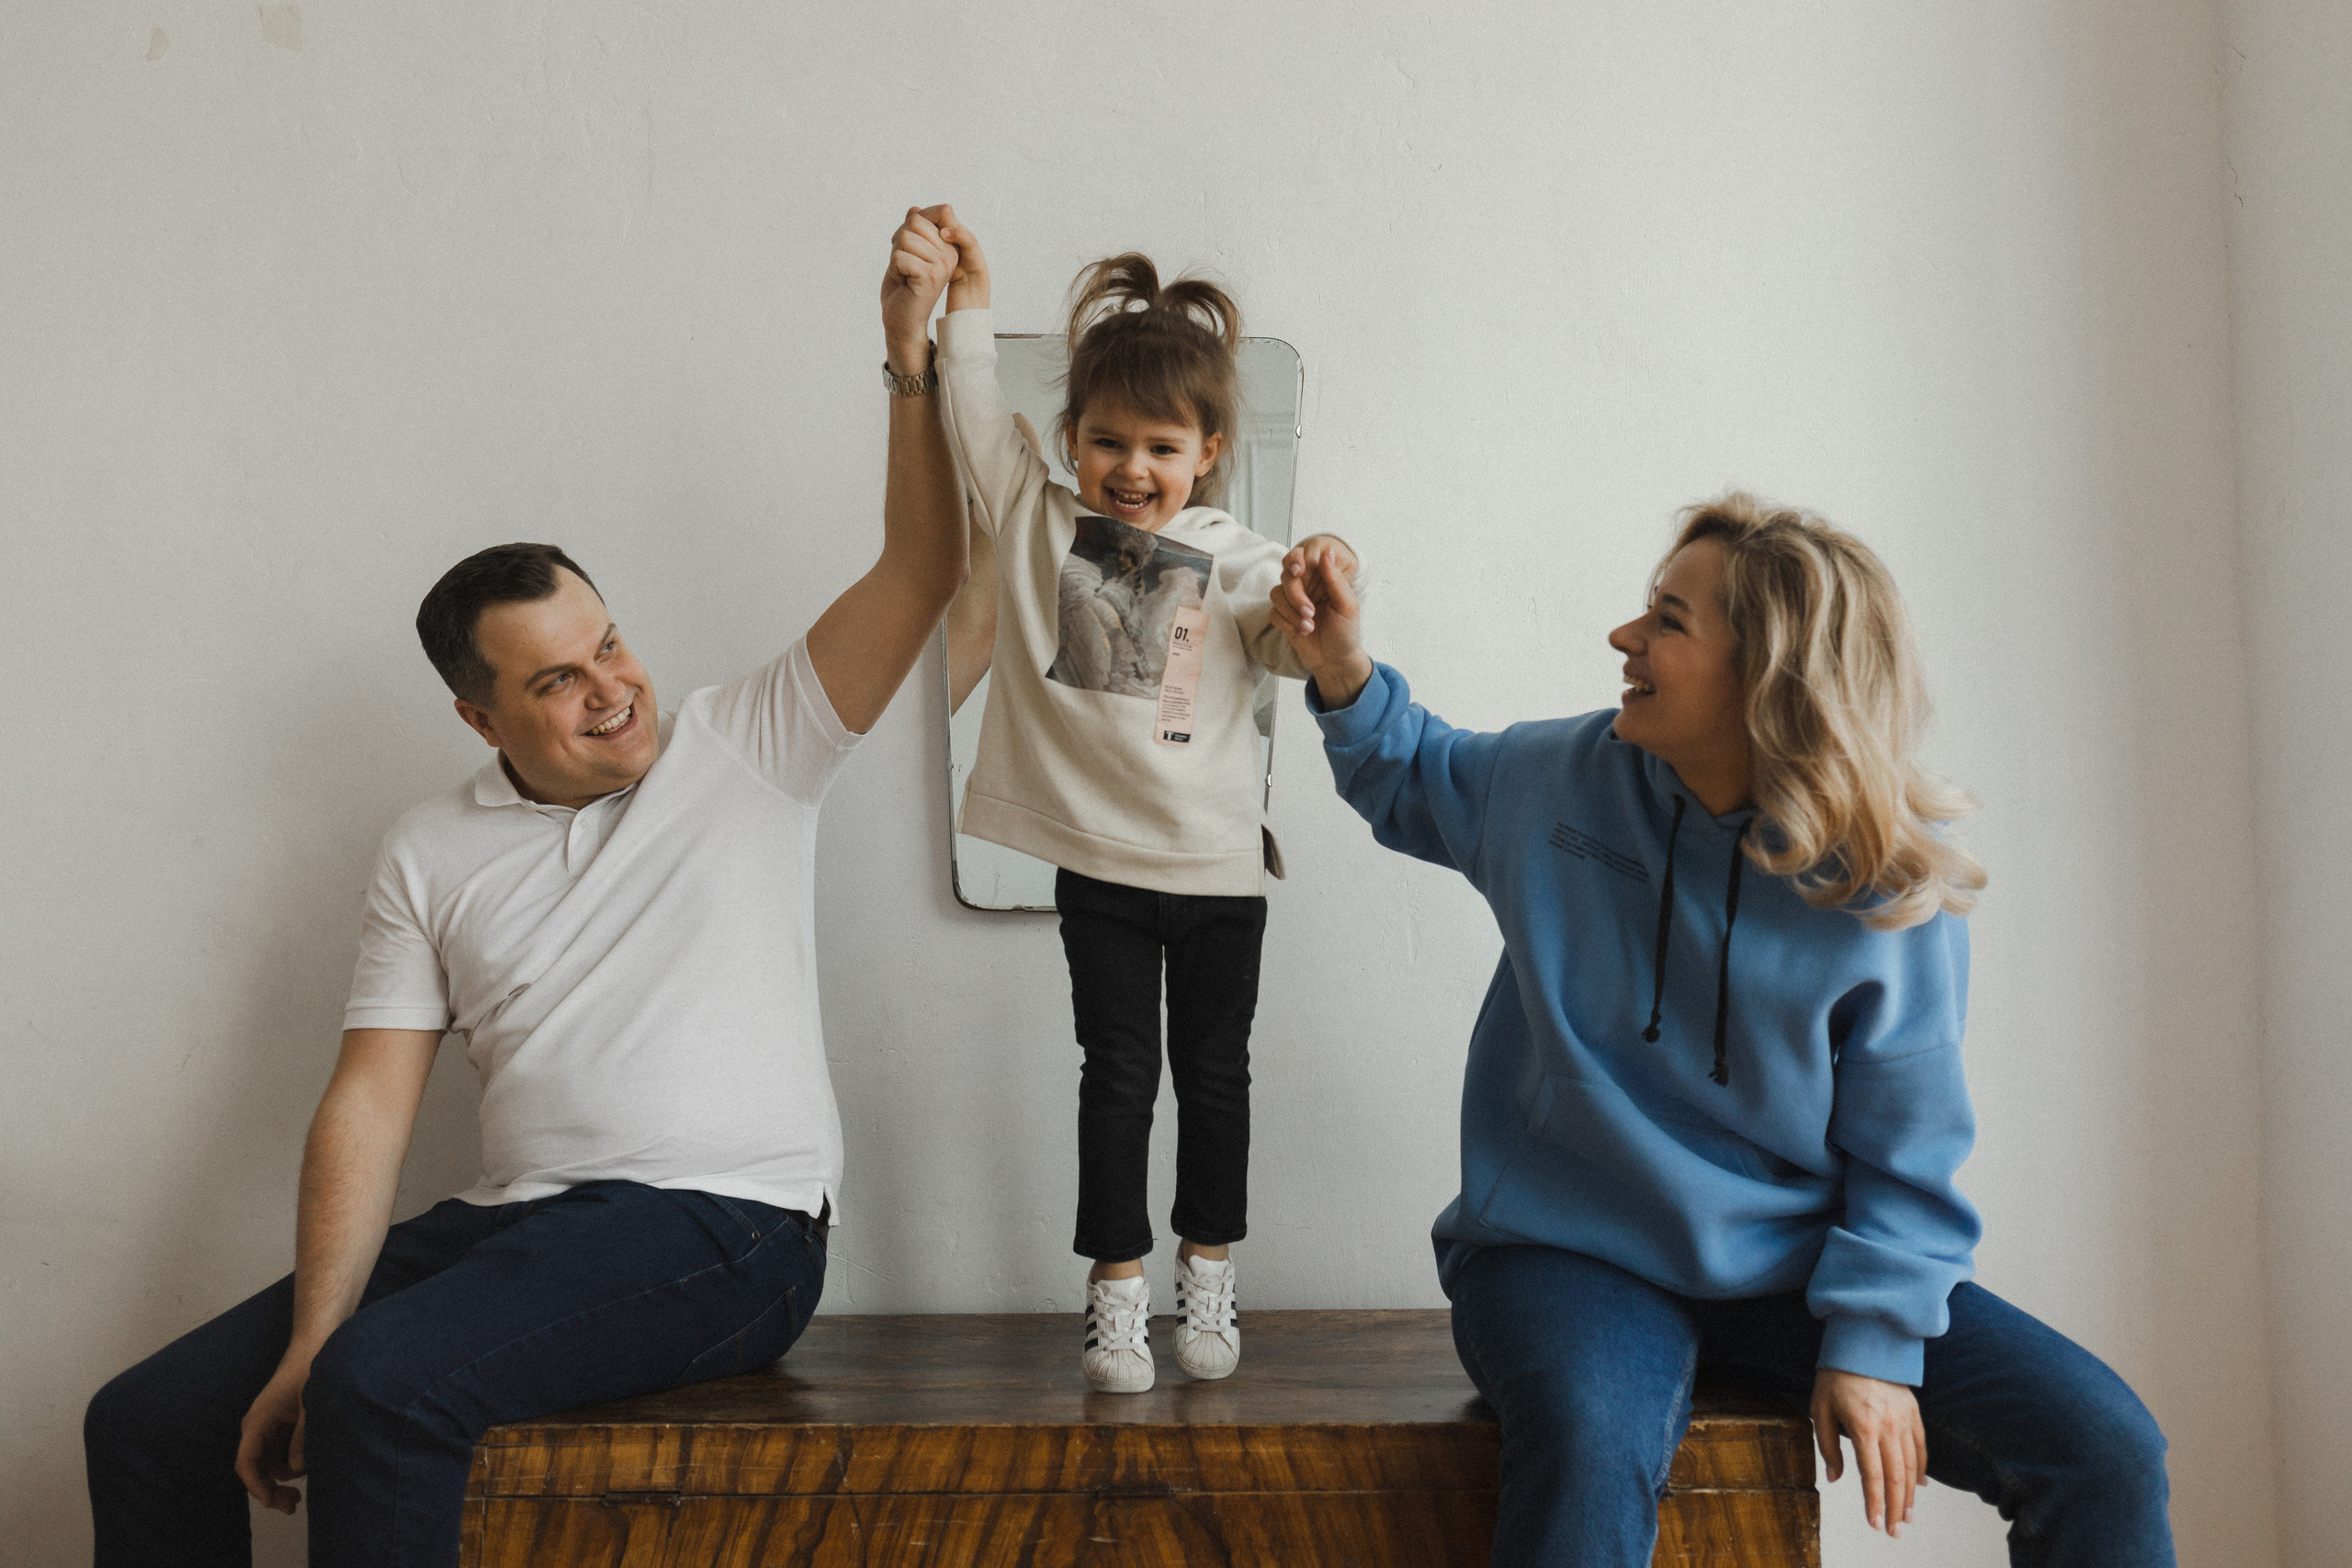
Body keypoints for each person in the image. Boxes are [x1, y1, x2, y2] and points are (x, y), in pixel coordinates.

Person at [81, 207, 970, 1568]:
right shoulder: (429, 845)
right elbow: (370, 1098)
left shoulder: (752, 745)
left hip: (726, 1225)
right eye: (558, 678)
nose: (613, 687)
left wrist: (909, 356)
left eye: (607, 641)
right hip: (510, 1229)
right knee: (144, 1419)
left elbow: (924, 563)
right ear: (479, 718)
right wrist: (312, 1332)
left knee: (384, 1388)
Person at [1269, 493, 2175, 1565]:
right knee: (1587, 1443)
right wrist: (1339, 666)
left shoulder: (1885, 882)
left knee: (2106, 1447)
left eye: (1667, 620)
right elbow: (1412, 773)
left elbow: (1906, 1149)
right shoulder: (1563, 779)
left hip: (1789, 1261)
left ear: (1768, 677)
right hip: (1566, 1250)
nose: (1624, 638)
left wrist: (1875, 1343)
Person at [927, 209, 1364, 1392]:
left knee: (1216, 1080)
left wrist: (1321, 602)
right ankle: (1114, 1294)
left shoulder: (1238, 559)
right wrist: (965, 297)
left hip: (1218, 875)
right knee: (1116, 1080)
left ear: (1207, 451)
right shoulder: (1037, 526)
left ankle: (1206, 1277)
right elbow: (970, 420)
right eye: (1108, 442)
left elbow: (1291, 651)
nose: (1133, 468)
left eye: (1162, 448)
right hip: (1103, 875)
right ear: (1070, 440)